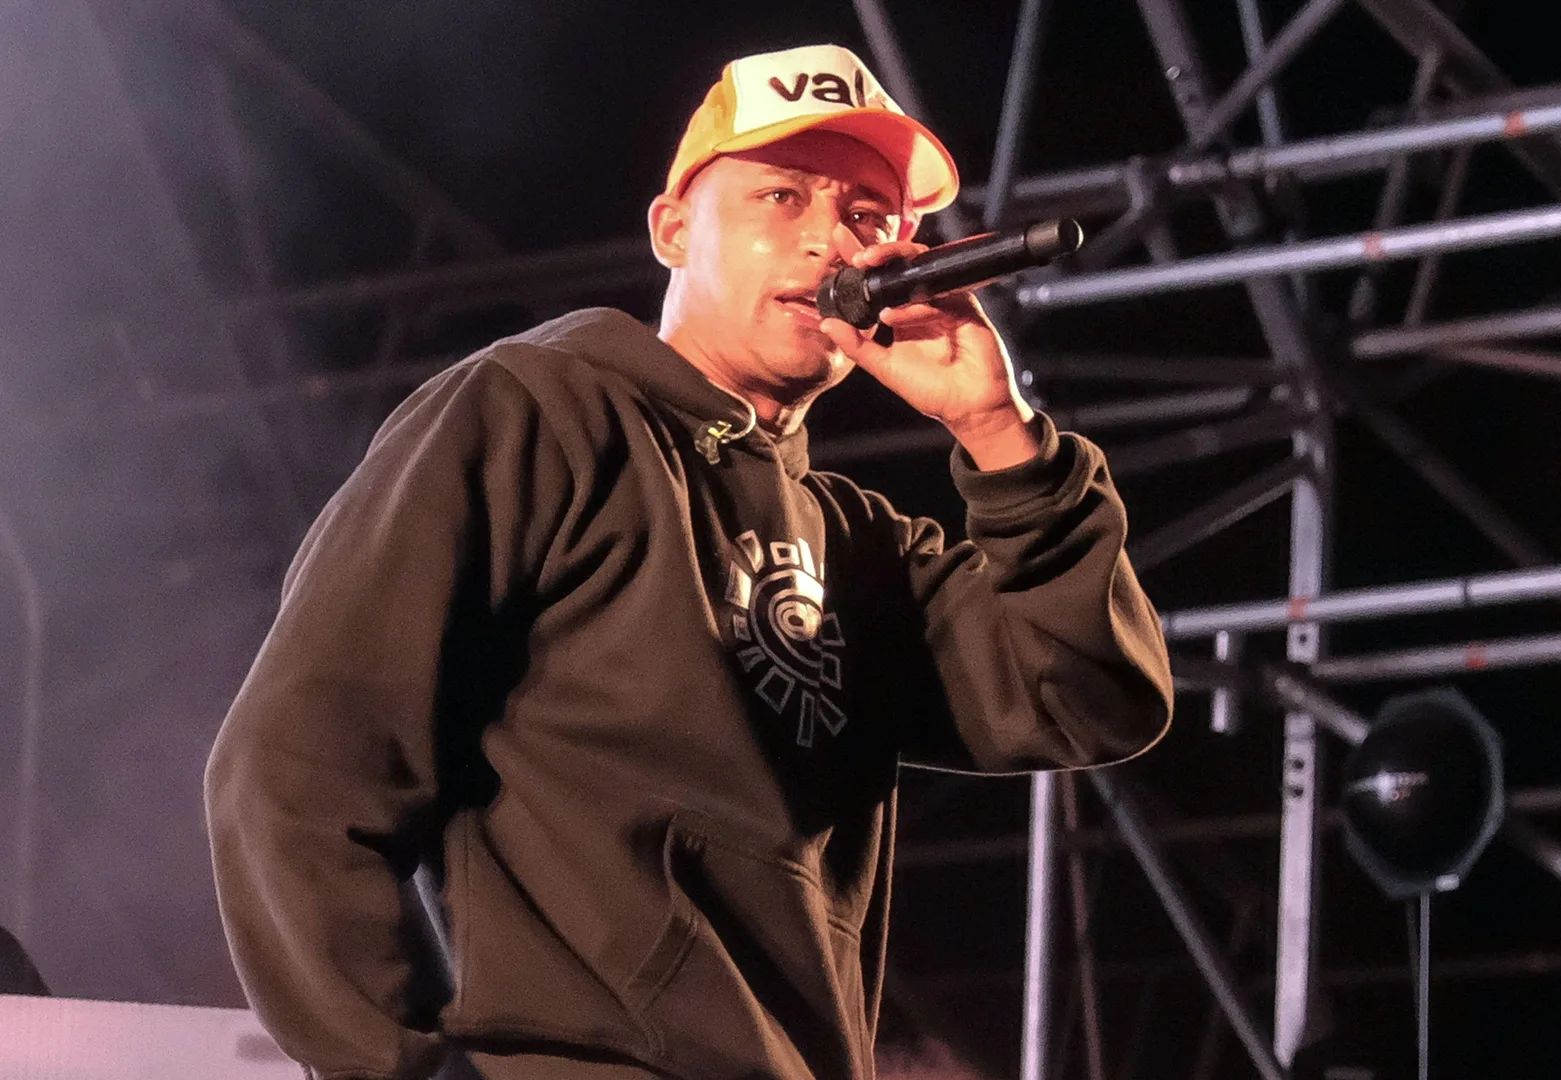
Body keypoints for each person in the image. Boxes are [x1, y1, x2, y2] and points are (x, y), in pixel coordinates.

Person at [205, 43, 1172, 1080]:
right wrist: (397, 1070)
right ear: (673, 229)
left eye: (865, 218)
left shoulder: (860, 544)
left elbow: (1093, 697)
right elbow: (296, 773)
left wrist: (998, 431)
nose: (825, 245)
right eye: (780, 196)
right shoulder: (539, 409)